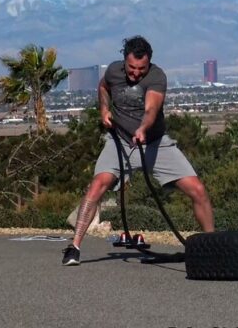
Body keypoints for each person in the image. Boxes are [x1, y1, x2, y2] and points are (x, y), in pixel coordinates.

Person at [62, 35, 215, 266]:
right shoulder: (114, 71)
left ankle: (213, 247)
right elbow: (103, 86)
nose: (135, 73)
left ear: (149, 63)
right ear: (124, 61)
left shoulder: (156, 76)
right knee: (97, 186)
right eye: (131, 68)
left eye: (141, 69)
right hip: (120, 142)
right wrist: (104, 109)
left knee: (197, 190)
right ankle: (74, 248)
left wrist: (143, 128)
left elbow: (151, 109)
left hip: (154, 143)